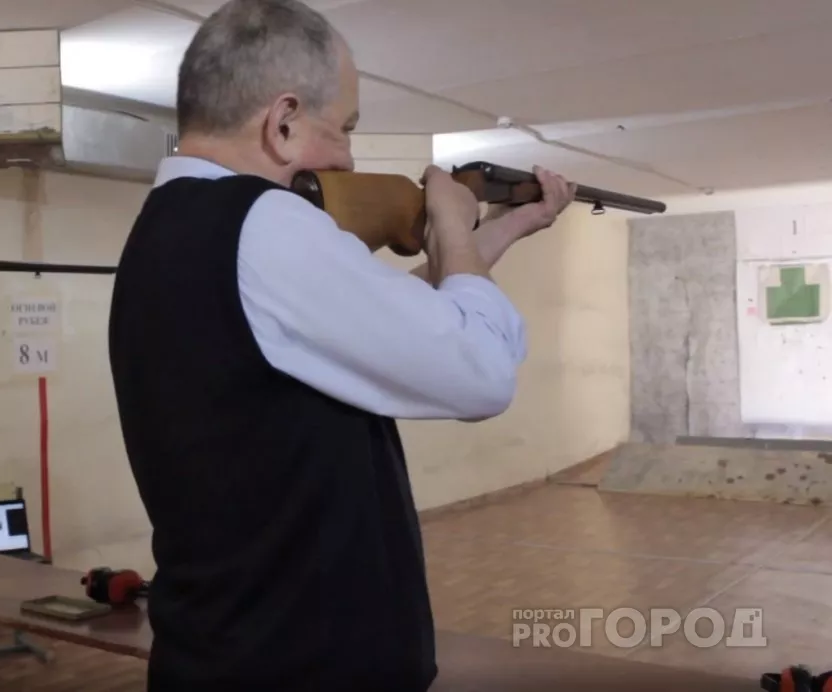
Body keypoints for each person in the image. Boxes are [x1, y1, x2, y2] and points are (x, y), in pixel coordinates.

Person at [107, 1, 576, 690]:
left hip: (231, 648)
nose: (349, 158)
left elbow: (372, 327)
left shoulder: (173, 228)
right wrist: (451, 226)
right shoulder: (265, 221)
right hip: (305, 662)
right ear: (283, 122)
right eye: (346, 128)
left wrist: (496, 233)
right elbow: (481, 374)